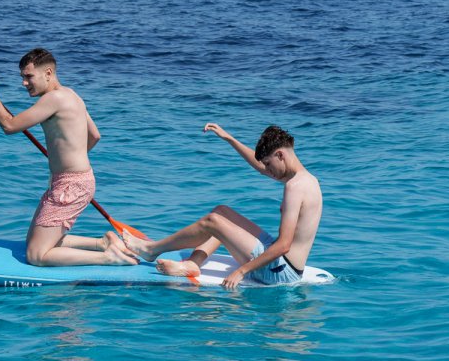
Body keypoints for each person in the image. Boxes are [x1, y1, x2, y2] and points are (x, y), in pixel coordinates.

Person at [0, 48, 137, 267]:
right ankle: (103, 243)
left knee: (36, 256)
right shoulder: (72, 95)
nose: (24, 82)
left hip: (71, 185)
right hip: (73, 180)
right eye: (22, 77)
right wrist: (68, 161)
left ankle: (108, 257)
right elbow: (95, 135)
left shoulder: (54, 99)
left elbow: (9, 125)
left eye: (29, 76)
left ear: (48, 73)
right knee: (34, 243)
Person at [122, 124, 321, 289]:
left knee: (213, 222)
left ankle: (151, 249)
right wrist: (229, 139)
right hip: (284, 264)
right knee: (222, 212)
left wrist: (242, 271)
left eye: (269, 164)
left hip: (280, 272)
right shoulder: (307, 180)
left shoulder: (294, 188)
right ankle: (193, 264)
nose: (267, 171)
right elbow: (260, 167)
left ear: (280, 155)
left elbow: (284, 245)